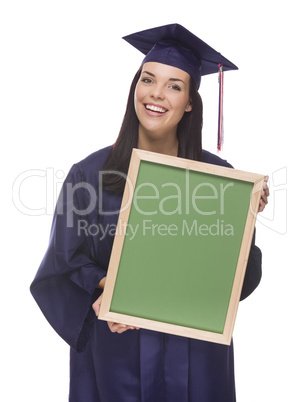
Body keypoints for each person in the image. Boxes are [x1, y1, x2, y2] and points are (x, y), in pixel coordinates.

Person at [30, 23, 269, 402]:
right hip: (118, 351)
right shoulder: (89, 175)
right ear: (134, 88)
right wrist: (109, 286)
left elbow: (242, 277)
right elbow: (63, 265)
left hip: (196, 355)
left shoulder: (221, 178)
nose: (156, 94)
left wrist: (244, 220)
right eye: (148, 79)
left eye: (174, 85)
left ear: (190, 101)